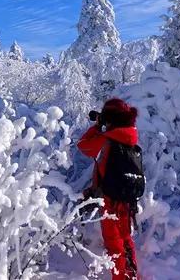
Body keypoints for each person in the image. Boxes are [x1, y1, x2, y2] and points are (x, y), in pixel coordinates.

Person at [78, 98, 141, 280]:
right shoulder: (130, 137)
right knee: (126, 241)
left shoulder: (107, 139)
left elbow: (83, 146)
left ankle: (120, 278)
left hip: (111, 200)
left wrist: (97, 126)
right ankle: (132, 275)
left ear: (110, 118)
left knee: (114, 245)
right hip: (127, 200)